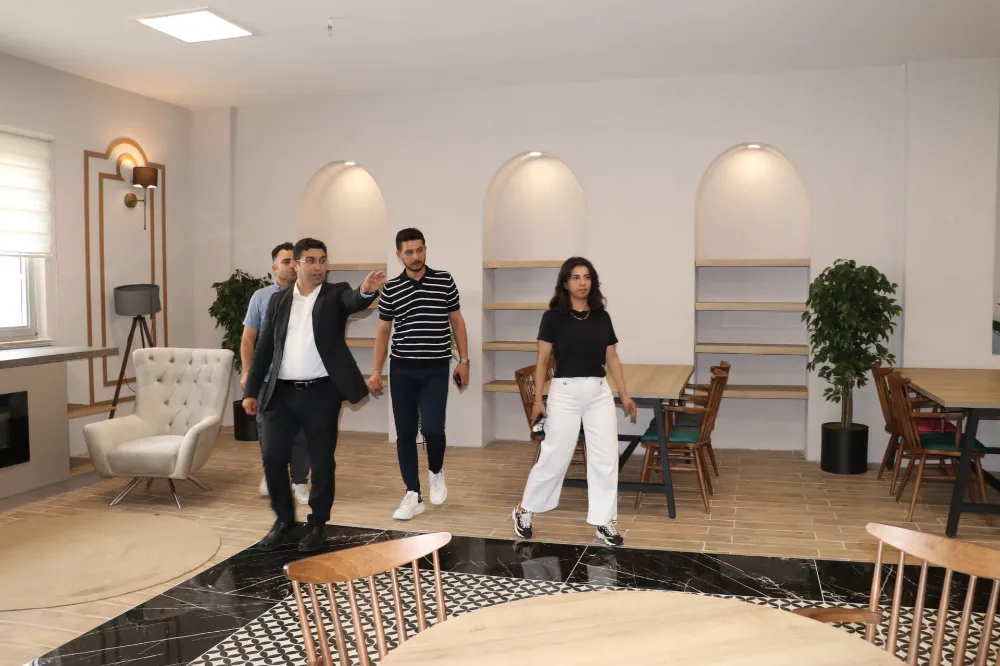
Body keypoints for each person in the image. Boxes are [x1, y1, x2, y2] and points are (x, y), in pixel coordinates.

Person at [243, 237, 386, 552]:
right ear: (296, 264)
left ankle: (318, 522)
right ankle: (284, 521)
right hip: (280, 394)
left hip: (321, 393)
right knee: (272, 458)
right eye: (311, 260)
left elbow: (353, 300)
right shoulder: (278, 301)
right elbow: (264, 348)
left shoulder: (334, 294)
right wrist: (251, 390)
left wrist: (366, 291)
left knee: (321, 461)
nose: (318, 266)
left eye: (322, 260)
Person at [511, 257, 637, 547]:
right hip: (564, 393)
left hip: (599, 393)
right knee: (555, 456)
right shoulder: (553, 318)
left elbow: (612, 358)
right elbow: (543, 360)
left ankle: (605, 521)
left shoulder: (602, 317)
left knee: (606, 458)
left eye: (587, 277)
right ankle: (525, 510)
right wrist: (538, 400)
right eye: (576, 277)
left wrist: (624, 394)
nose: (582, 282)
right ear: (565, 283)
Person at [367, 228, 470, 520]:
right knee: (405, 433)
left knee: (434, 429)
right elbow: (383, 331)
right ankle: (413, 493)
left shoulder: (444, 280)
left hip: (436, 368)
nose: (416, 256)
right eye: (409, 252)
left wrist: (464, 361)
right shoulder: (391, 288)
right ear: (399, 255)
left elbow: (457, 322)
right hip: (402, 369)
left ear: (425, 249)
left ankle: (436, 470)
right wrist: (376, 371)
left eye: (420, 250)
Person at [240, 242, 310, 506]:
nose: (291, 266)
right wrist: (248, 373)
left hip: (300, 378)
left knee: (301, 434)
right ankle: (273, 475)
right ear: (274, 267)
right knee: (268, 432)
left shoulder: (309, 296)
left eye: (295, 261)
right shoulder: (261, 297)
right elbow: (248, 339)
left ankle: (299, 481)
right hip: (268, 380)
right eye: (285, 261)